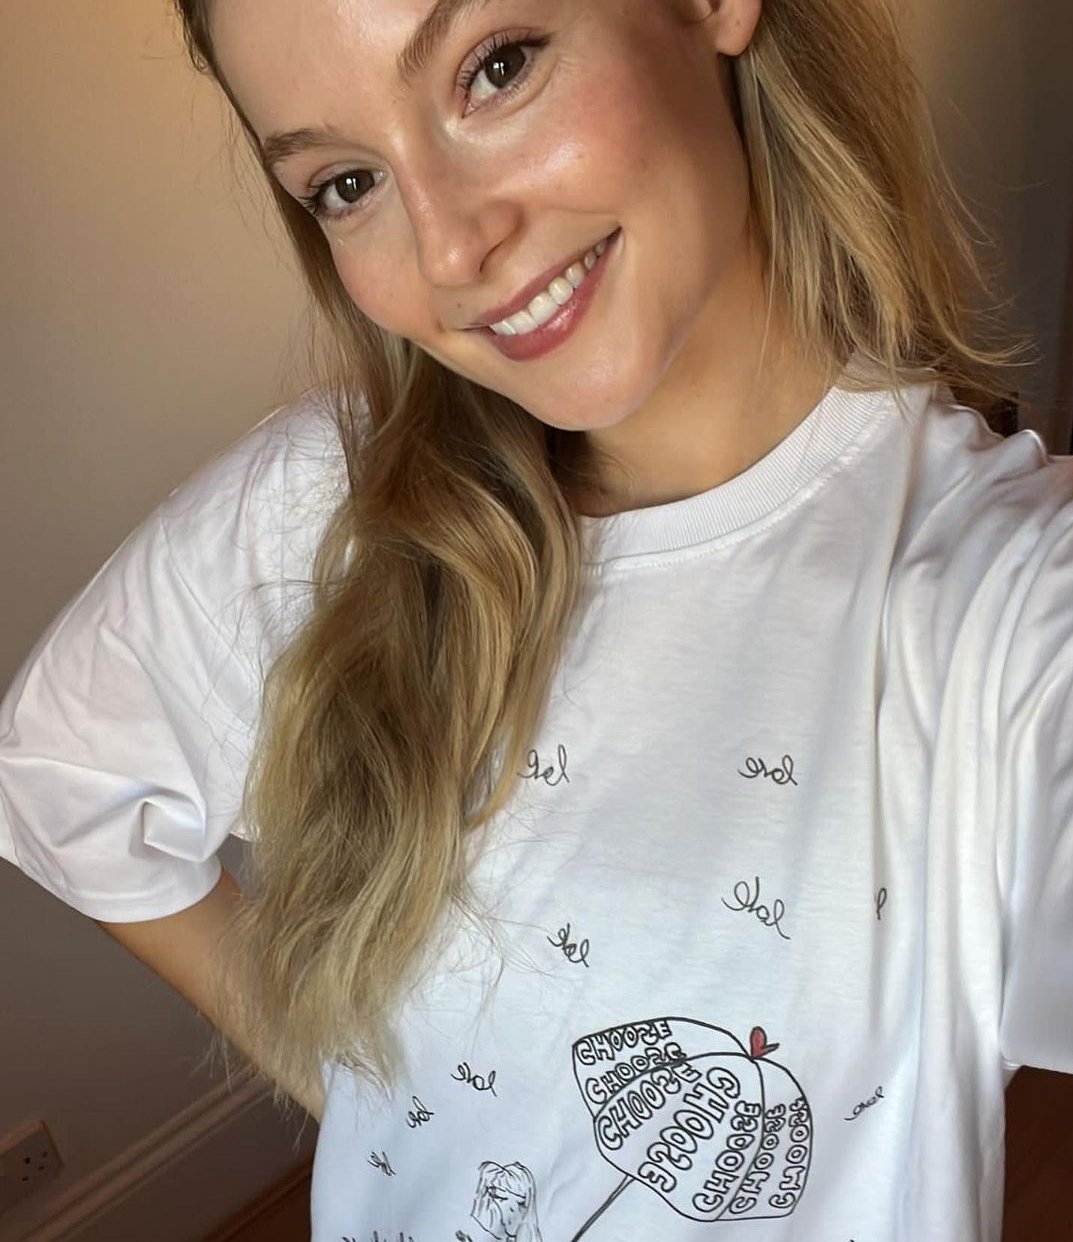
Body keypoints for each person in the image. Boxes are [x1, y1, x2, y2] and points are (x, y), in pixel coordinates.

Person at [0, 0, 1068, 1238]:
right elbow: (61, 773)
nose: (449, 249)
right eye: (346, 182)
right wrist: (374, 1104)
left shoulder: (997, 602)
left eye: (494, 69)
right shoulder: (327, 508)